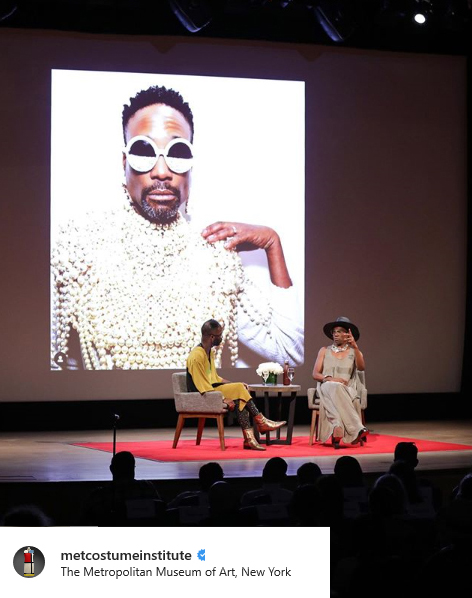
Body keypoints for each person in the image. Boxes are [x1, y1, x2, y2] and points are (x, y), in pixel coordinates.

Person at [51, 84, 303, 370]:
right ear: (124, 164)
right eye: (143, 151)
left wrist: (272, 242)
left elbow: (289, 353)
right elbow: (56, 363)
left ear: (191, 168)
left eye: (177, 153)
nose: (161, 171)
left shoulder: (215, 265)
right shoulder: (78, 253)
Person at [186, 319, 286, 450]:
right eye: (219, 335)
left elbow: (214, 378)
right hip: (199, 395)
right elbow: (202, 386)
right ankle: (261, 422)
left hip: (210, 389)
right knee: (239, 391)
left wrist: (233, 384)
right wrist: (222, 398)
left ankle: (249, 439)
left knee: (240, 394)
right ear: (211, 337)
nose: (222, 338)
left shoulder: (209, 352)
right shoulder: (196, 355)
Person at [312, 316, 368, 448]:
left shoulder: (355, 352)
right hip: (325, 386)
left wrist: (355, 346)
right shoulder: (324, 351)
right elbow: (315, 374)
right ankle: (357, 428)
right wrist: (331, 379)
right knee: (332, 386)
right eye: (334, 331)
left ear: (349, 334)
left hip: (347, 390)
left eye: (341, 331)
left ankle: (337, 426)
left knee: (337, 388)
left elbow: (361, 368)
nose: (336, 334)